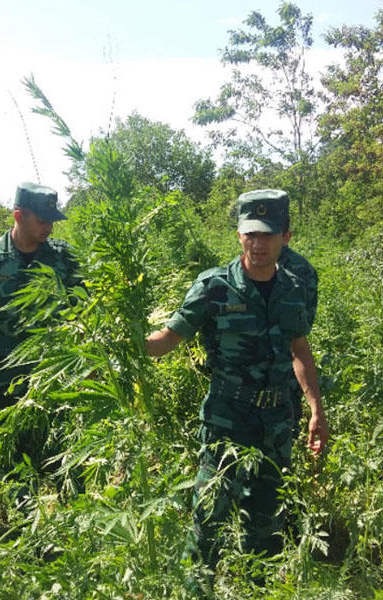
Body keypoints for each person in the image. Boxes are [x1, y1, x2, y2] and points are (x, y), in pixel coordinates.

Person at [144, 189, 328, 571]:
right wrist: (126, 341)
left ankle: (255, 590)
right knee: (208, 520)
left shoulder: (296, 287)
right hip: (226, 421)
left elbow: (299, 350)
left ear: (286, 237)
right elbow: (168, 339)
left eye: (267, 234)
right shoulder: (213, 286)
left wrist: (315, 410)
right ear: (239, 235)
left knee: (266, 528)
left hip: (277, 423)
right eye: (250, 234)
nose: (258, 243)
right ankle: (197, 592)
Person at [0, 182, 80, 411]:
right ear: (18, 215)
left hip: (54, 374)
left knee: (54, 443)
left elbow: (82, 312)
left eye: (52, 221)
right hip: (6, 376)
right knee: (7, 442)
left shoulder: (63, 257)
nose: (49, 227)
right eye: (42, 221)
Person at [279, 238, 318, 438]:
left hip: (287, 358)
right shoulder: (305, 268)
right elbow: (306, 321)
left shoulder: (298, 270)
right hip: (292, 361)